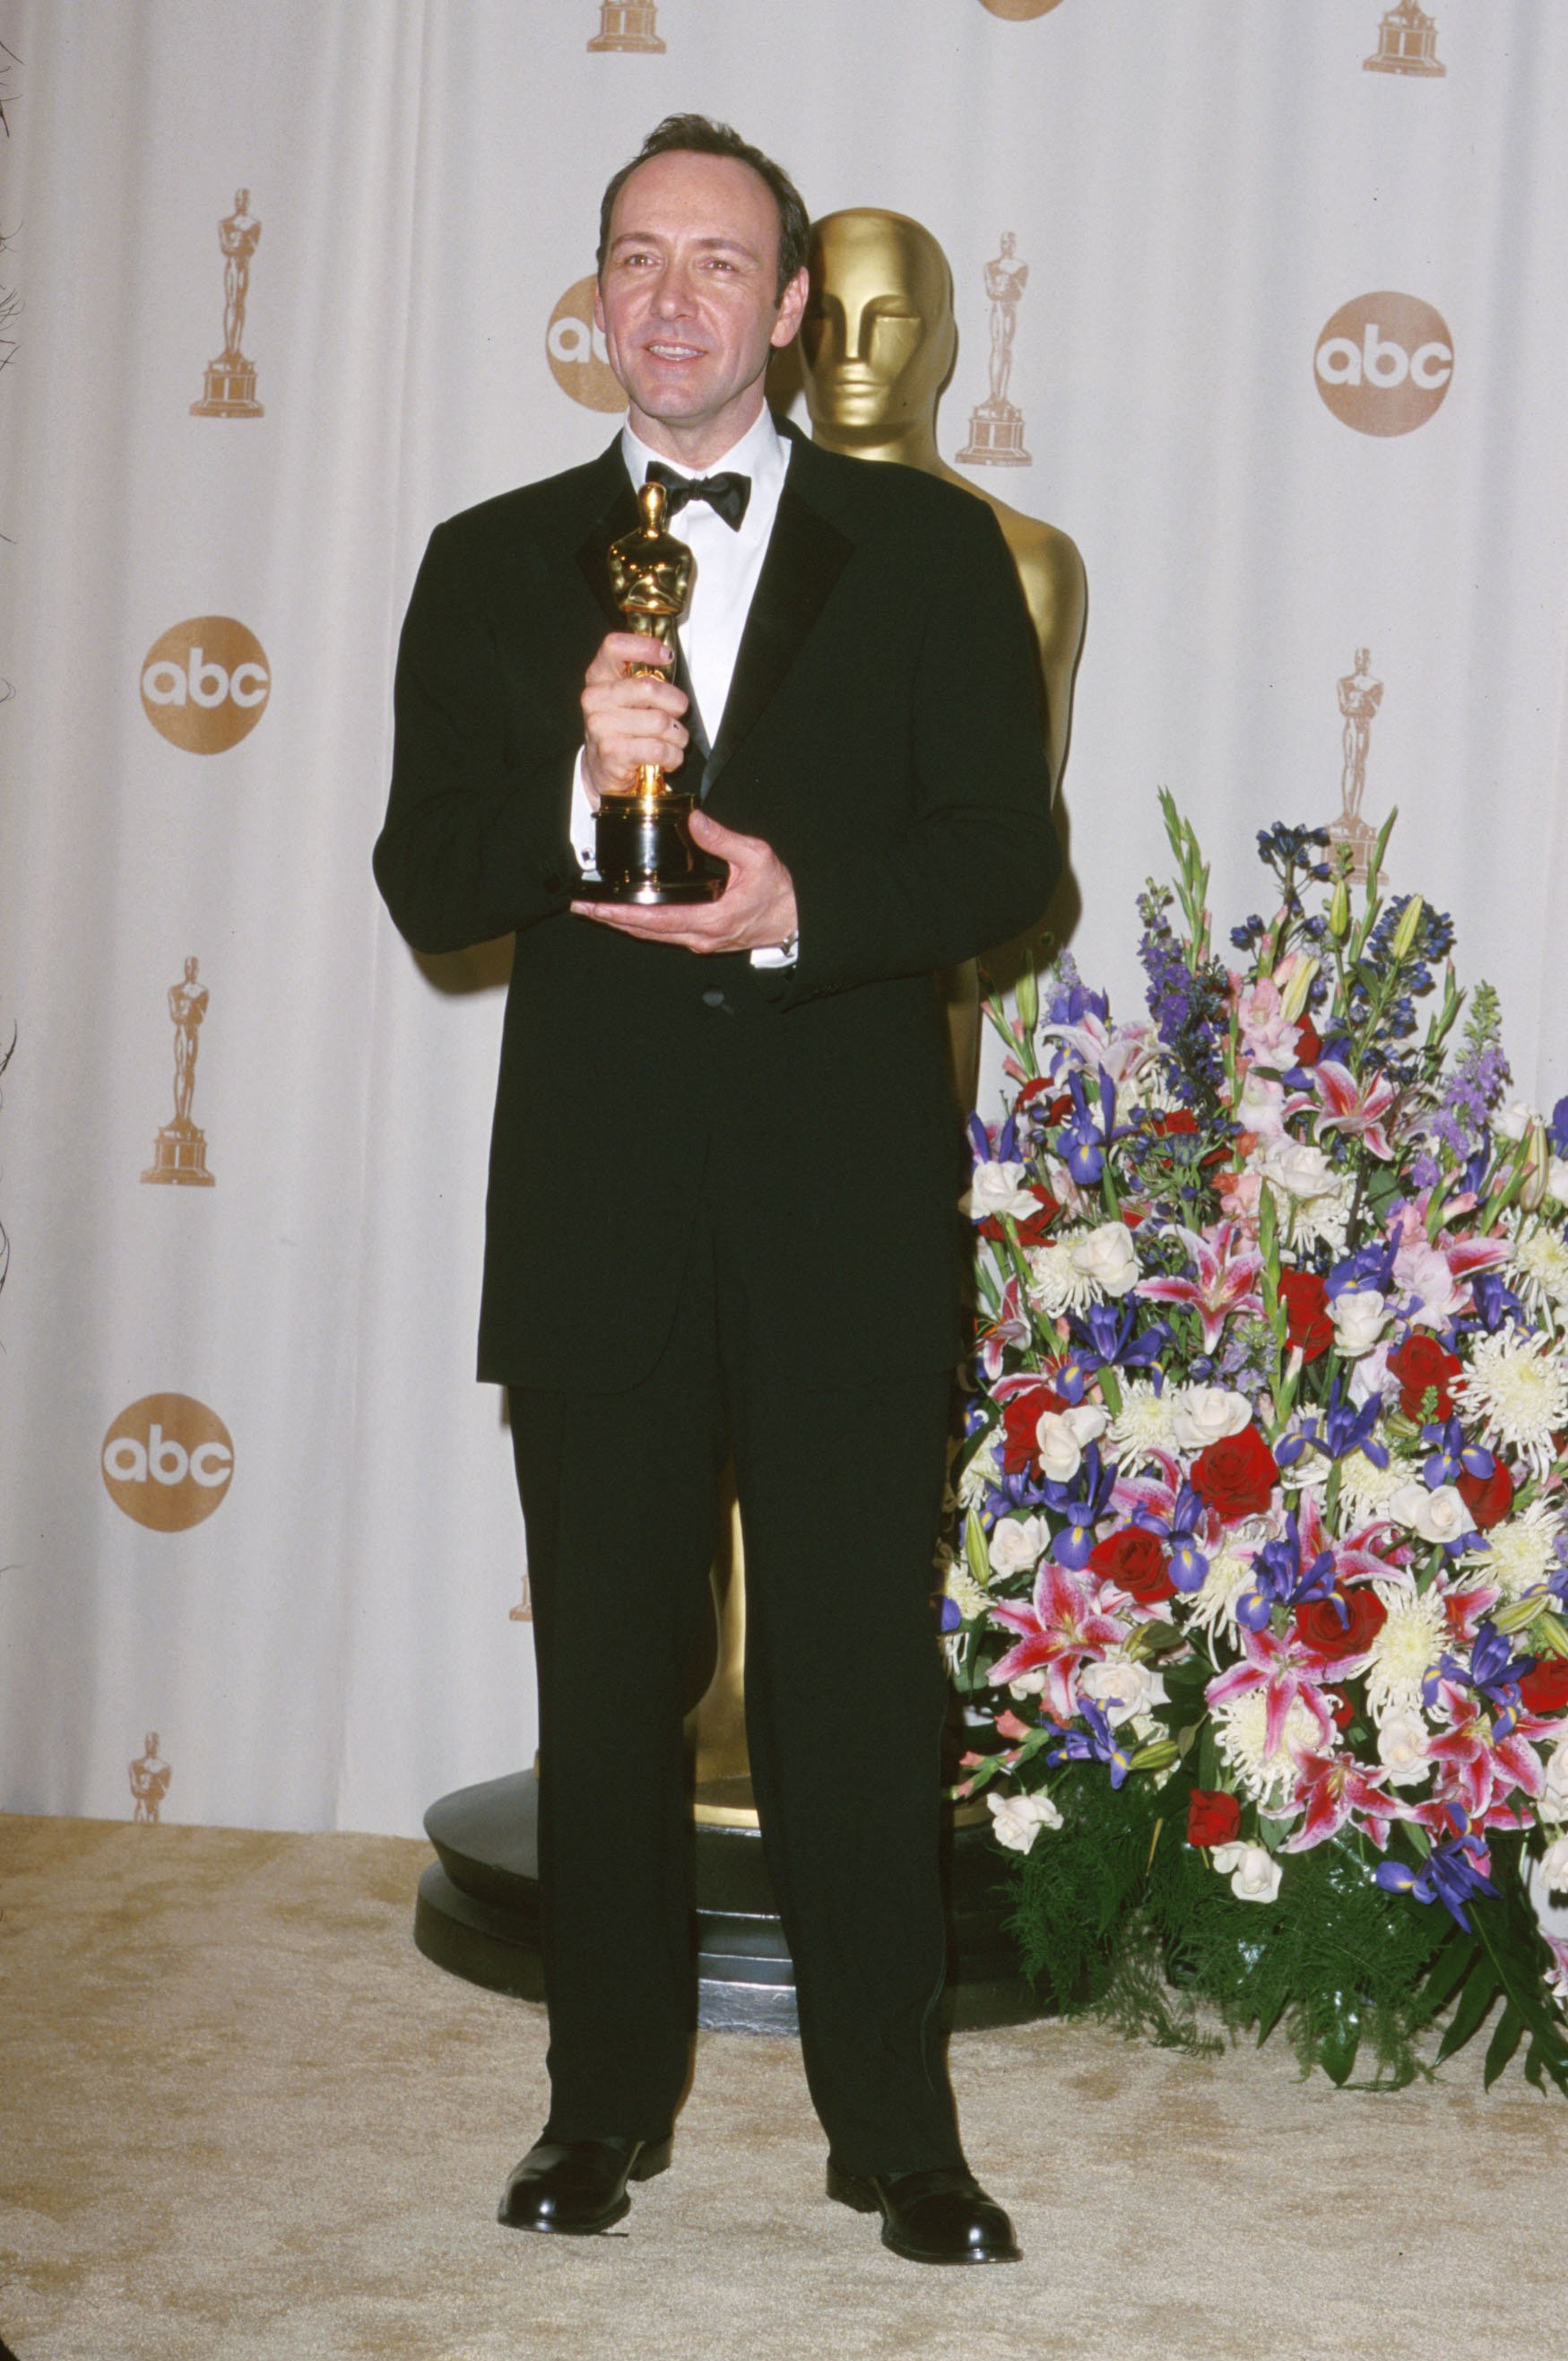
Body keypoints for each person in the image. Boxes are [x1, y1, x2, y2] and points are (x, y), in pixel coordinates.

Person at [375, 115, 1058, 2266]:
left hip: (843, 1198)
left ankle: (897, 2139)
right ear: (594, 302)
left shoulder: (925, 549)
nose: (671, 296)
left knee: (858, 1673)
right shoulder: (489, 561)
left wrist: (785, 899)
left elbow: (1003, 871)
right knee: (605, 1673)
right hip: (595, 1209)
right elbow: (428, 877)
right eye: (633, 259)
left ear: (783, 308)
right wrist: (588, 802)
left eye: (717, 262)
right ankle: (599, 2115)